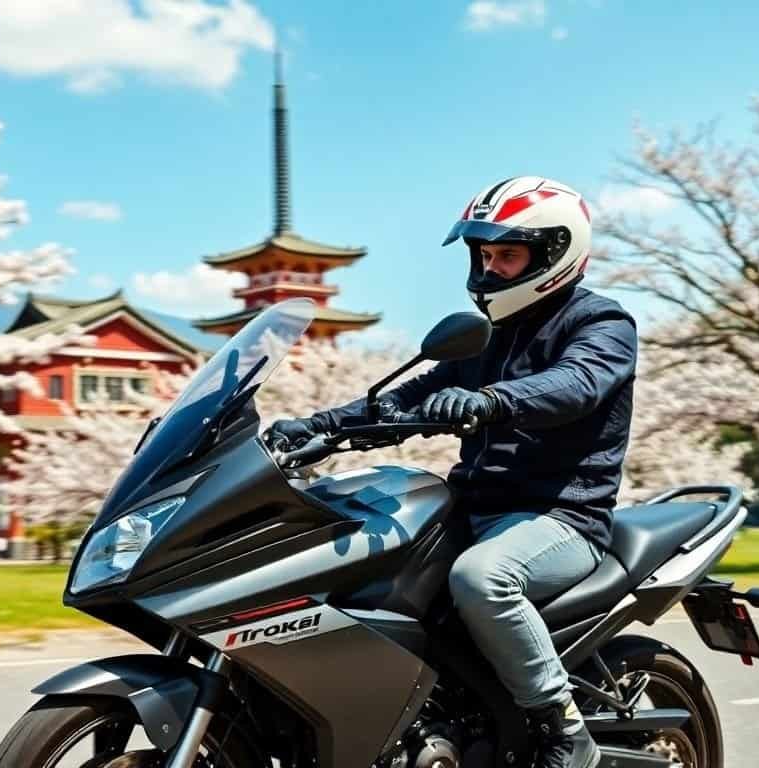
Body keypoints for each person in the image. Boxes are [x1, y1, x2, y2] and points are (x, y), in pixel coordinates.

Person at [267, 176, 637, 768]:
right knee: (353, 563)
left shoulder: (601, 324)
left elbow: (577, 384)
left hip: (560, 515)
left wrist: (493, 399)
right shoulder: (487, 335)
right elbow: (407, 397)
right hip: (473, 506)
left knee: (481, 579)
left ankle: (566, 732)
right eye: (484, 255)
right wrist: (318, 425)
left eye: (506, 255)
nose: (490, 269)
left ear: (555, 252)